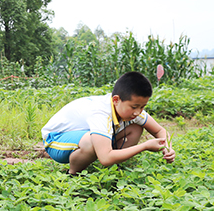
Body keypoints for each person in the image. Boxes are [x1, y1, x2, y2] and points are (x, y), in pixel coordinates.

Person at [41, 71, 176, 175]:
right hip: (56, 140)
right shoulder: (100, 112)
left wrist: (168, 148)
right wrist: (145, 146)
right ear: (116, 100)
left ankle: (114, 166)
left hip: (82, 137)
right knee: (91, 141)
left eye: (143, 107)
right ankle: (73, 174)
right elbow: (105, 158)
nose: (138, 112)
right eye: (134, 107)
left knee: (136, 127)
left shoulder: (133, 110)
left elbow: (159, 131)